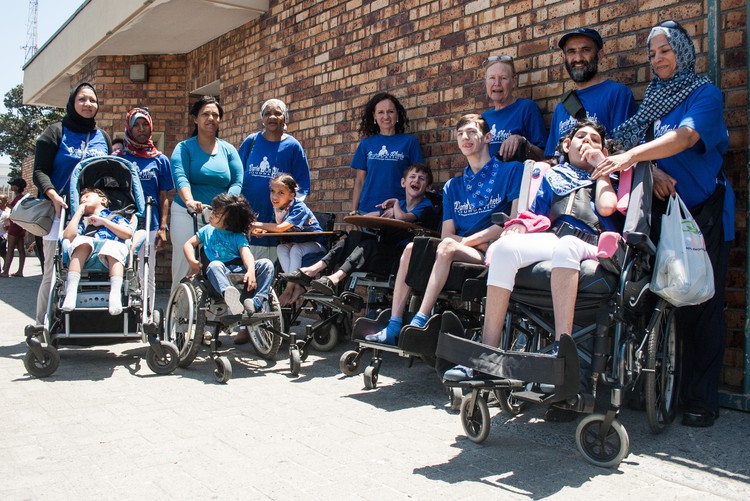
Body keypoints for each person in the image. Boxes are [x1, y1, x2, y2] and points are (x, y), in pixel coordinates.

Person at [593, 21, 734, 428]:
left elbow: (686, 138)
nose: (657, 59)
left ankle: (700, 399)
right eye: (652, 53)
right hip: (660, 216)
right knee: (661, 299)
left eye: (665, 50)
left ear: (684, 51)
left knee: (702, 304)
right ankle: (659, 390)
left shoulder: (704, 93)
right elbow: (626, 144)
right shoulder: (654, 97)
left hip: (701, 215)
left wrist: (636, 157)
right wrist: (648, 168)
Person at [444, 121, 619, 389]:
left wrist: (601, 167)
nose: (586, 142)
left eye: (594, 140)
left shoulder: (611, 176)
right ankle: (488, 353)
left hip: (594, 246)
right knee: (502, 249)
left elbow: (607, 208)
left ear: (603, 150)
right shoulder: (553, 177)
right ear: (565, 145)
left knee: (567, 245)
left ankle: (562, 349)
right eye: (580, 137)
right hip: (556, 238)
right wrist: (518, 226)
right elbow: (536, 216)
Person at [366, 114, 523, 345]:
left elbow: (513, 222)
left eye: (471, 132)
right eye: (459, 134)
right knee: (411, 248)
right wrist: (474, 241)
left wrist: (471, 241)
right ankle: (395, 325)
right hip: (470, 247)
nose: (464, 138)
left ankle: (421, 322)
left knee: (448, 246)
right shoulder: (453, 186)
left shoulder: (512, 171)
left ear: (488, 137)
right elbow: (446, 234)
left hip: (493, 252)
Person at [281, 164, 434, 297]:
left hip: (401, 259)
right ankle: (314, 270)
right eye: (412, 177)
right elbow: (370, 216)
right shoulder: (400, 203)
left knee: (368, 245)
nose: (416, 180)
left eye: (421, 178)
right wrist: (364, 215)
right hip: (386, 252)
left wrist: (394, 205)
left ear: (427, 187)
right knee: (352, 237)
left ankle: (334, 279)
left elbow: (404, 217)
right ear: (403, 182)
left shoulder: (425, 205)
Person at [33, 82, 111, 325]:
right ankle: (41, 324)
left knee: (89, 267)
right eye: (82, 99)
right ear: (72, 103)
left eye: (92, 100)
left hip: (91, 215)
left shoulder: (102, 137)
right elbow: (39, 171)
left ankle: (81, 322)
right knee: (52, 271)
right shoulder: (55, 132)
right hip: (59, 211)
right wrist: (52, 194)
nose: (88, 104)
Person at [170, 96, 243, 293]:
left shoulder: (228, 149)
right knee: (186, 262)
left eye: (215, 115)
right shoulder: (184, 148)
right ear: (195, 118)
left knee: (222, 261)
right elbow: (180, 177)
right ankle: (177, 310)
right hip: (188, 212)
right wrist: (189, 200)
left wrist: (226, 206)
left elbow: (237, 180)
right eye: (205, 114)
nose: (211, 118)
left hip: (220, 215)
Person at [544, 28, 637, 158]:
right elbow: (552, 156)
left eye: (585, 50)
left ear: (600, 55)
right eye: (572, 52)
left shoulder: (617, 94)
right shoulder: (562, 107)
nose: (578, 58)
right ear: (564, 57)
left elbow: (624, 150)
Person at [238, 99, 311, 262]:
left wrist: (287, 214)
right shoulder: (251, 142)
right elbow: (236, 175)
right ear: (262, 118)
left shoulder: (293, 146)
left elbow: (302, 186)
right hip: (246, 222)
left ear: (285, 118)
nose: (272, 117)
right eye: (267, 113)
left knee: (269, 272)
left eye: (277, 113)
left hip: (275, 229)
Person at [115, 108, 173, 312]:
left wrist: (163, 227)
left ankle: (146, 314)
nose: (141, 129)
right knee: (121, 267)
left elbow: (164, 196)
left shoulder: (159, 159)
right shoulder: (118, 157)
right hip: (122, 223)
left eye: (145, 125)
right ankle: (123, 312)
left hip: (151, 221)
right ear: (129, 128)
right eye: (136, 125)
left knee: (146, 270)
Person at [183, 193, 274, 317]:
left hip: (240, 271)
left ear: (229, 222)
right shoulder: (207, 230)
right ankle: (229, 296)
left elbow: (246, 254)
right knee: (215, 265)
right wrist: (192, 262)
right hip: (218, 274)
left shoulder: (238, 236)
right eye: (213, 211)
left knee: (267, 264)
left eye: (216, 214)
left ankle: (256, 301)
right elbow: (188, 244)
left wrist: (251, 271)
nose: (211, 215)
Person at [251, 174, 325, 306]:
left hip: (317, 245)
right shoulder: (278, 209)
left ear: (292, 195)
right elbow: (274, 226)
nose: (275, 196)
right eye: (272, 191)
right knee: (281, 248)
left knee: (295, 249)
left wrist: (256, 224)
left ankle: (289, 288)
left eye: (281, 193)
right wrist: (263, 230)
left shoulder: (298, 208)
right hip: (298, 244)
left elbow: (280, 228)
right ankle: (298, 285)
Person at [61, 188, 135, 315]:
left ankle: (115, 294)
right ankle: (71, 291)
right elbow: (68, 236)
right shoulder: (82, 220)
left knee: (114, 247)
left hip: (110, 249)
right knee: (82, 242)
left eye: (87, 196)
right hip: (86, 250)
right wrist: (78, 212)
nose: (83, 199)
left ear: (103, 200)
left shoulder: (115, 217)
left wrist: (104, 222)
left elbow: (127, 234)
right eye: (81, 199)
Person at [350, 93, 425, 216]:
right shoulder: (366, 144)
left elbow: (419, 178)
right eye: (380, 112)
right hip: (367, 210)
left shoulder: (409, 142)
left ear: (397, 115)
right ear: (374, 115)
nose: (386, 116)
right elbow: (359, 181)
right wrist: (354, 211)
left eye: (390, 111)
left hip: (398, 210)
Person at [481, 55, 547, 161]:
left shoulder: (526, 109)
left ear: (514, 81)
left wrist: (523, 142)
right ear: (486, 82)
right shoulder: (483, 118)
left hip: (517, 175)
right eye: (492, 78)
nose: (497, 83)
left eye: (503, 78)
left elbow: (544, 156)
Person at [1, 179, 28, 277]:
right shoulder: (23, 197)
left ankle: (5, 271)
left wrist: (5, 203)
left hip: (15, 226)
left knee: (11, 248)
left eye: (12, 185)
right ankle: (20, 271)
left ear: (17, 187)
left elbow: (15, 209)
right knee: (21, 248)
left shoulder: (19, 198)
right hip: (21, 225)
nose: (11, 187)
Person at [0, 195, 10, 271]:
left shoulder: (9, 210)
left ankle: (6, 266)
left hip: (3, 235)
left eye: (1, 199)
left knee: (3, 252)